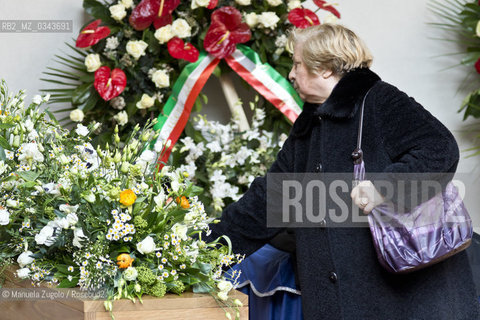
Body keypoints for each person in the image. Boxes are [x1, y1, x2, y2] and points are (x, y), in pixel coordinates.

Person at [204, 24, 480, 319]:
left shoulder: (380, 100)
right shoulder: (309, 126)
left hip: (408, 303)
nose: (291, 74)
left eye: (297, 64)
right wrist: (196, 252)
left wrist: (382, 187)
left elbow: (440, 148)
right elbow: (266, 203)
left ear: (324, 68)